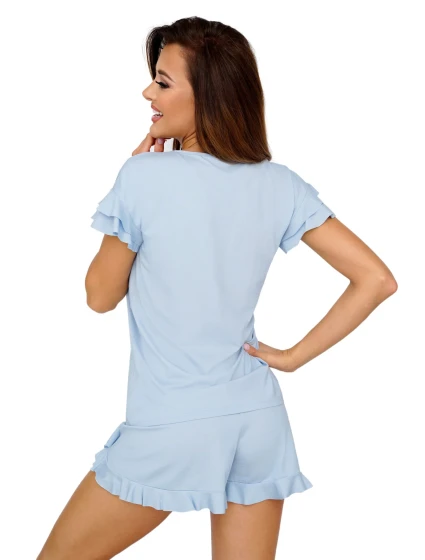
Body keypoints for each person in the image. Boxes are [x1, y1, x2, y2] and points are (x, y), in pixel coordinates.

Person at [36, 16, 398, 560]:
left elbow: (100, 296)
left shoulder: (142, 177)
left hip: (173, 424)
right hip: (258, 419)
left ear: (207, 94)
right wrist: (293, 357)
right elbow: (376, 279)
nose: (148, 93)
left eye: (163, 82)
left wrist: (131, 187)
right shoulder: (281, 184)